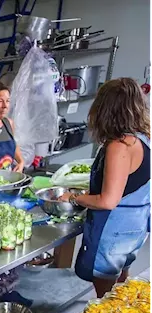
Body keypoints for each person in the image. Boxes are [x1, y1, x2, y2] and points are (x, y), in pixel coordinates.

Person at [60, 78, 151, 297]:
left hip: (114, 231)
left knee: (105, 298)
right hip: (134, 227)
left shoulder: (120, 145)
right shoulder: (144, 139)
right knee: (120, 285)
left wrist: (73, 197)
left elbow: (108, 200)